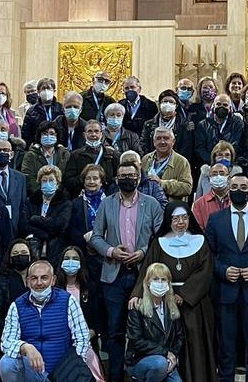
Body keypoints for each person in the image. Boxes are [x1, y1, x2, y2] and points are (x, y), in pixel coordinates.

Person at [91, 161, 164, 382]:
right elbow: (95, 237)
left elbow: (160, 238)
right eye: (123, 176)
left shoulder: (151, 204)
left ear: (139, 178)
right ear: (116, 179)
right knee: (114, 331)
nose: (127, 179)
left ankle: (138, 375)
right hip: (113, 274)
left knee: (142, 329)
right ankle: (115, 376)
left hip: (142, 275)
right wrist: (112, 251)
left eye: (131, 175)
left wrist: (143, 252)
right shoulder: (107, 204)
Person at [130, 202, 216, 382]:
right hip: (162, 300)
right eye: (175, 218)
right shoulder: (159, 243)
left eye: (184, 218)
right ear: (169, 221)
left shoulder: (199, 241)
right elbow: (147, 271)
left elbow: (205, 272)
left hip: (194, 304)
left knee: (194, 345)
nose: (180, 222)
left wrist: (184, 294)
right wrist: (136, 294)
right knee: (168, 343)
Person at [205, 174, 248, 382]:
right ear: (228, 190)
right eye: (234, 186)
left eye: (243, 187)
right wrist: (223, 270)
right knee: (226, 347)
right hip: (226, 292)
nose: (239, 190)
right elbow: (208, 255)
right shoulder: (216, 219)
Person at [0, 259, 93, 382]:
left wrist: (71, 369)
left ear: (53, 280)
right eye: (34, 278)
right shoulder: (17, 305)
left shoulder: (68, 301)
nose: (39, 283)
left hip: (62, 374)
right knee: (7, 362)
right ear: (27, 282)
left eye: (44, 278)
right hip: (33, 373)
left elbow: (82, 338)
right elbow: (6, 341)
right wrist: (26, 347)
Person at [127, 263, 186, 382]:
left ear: (168, 284)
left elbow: (180, 336)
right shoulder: (137, 307)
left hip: (167, 359)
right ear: (148, 282)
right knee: (160, 363)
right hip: (141, 360)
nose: (160, 283)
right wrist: (165, 353)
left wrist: (173, 355)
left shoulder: (172, 307)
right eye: (155, 279)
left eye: (163, 279)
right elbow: (136, 341)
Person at [22, 165, 73, 266]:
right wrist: (46, 234)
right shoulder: (30, 202)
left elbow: (59, 225)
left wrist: (35, 219)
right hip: (32, 247)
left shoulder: (65, 203)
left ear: (57, 183)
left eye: (51, 180)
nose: (47, 183)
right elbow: (24, 225)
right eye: (44, 181)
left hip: (55, 248)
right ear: (40, 183)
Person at [62, 120, 118, 198]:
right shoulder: (76, 155)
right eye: (90, 131)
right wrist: (84, 182)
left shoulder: (111, 154)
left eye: (96, 131)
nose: (93, 134)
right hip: (82, 197)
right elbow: (68, 180)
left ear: (101, 134)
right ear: (84, 135)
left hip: (107, 197)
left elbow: (116, 177)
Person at [0, 239, 36, 331]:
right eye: (15, 253)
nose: (19, 256)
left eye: (23, 252)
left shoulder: (39, 279)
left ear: (30, 256)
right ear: (10, 259)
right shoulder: (0, 282)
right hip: (9, 330)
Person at [194, 94, 245, 172]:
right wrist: (214, 161)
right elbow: (200, 148)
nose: (221, 107)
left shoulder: (237, 123)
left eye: (225, 105)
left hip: (230, 165)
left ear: (230, 108)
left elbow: (236, 144)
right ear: (213, 106)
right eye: (218, 104)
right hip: (209, 166)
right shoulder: (203, 124)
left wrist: (226, 159)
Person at [0, 138, 28, 232]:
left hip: (13, 229)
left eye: (6, 150)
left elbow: (22, 206)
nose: (2, 152)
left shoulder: (20, 177)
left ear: (12, 154)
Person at [142, 126, 194, 201]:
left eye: (166, 138)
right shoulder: (145, 159)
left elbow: (187, 188)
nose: (162, 142)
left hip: (170, 207)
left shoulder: (181, 161)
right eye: (158, 138)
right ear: (154, 142)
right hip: (147, 204)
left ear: (173, 141)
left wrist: (162, 183)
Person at [142, 89, 196, 159]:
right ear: (159, 104)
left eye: (171, 102)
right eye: (165, 101)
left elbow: (186, 149)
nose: (168, 104)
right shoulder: (149, 124)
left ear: (176, 106)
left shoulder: (185, 125)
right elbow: (144, 145)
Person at [23, 125, 72, 195]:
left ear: (56, 136)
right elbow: (28, 176)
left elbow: (68, 176)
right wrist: (40, 193)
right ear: (40, 137)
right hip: (37, 195)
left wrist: (58, 194)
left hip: (60, 196)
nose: (48, 136)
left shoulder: (64, 154)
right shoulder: (30, 155)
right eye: (45, 134)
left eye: (52, 134)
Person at [21, 78, 63, 147]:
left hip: (57, 146)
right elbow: (26, 132)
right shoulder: (31, 111)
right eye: (43, 89)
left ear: (54, 91)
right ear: (38, 92)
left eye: (49, 88)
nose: (46, 91)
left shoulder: (60, 108)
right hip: (38, 146)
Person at [193, 160, 232, 229]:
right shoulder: (199, 204)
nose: (218, 177)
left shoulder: (235, 200)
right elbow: (198, 229)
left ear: (229, 178)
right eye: (214, 174)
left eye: (222, 173)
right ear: (209, 179)